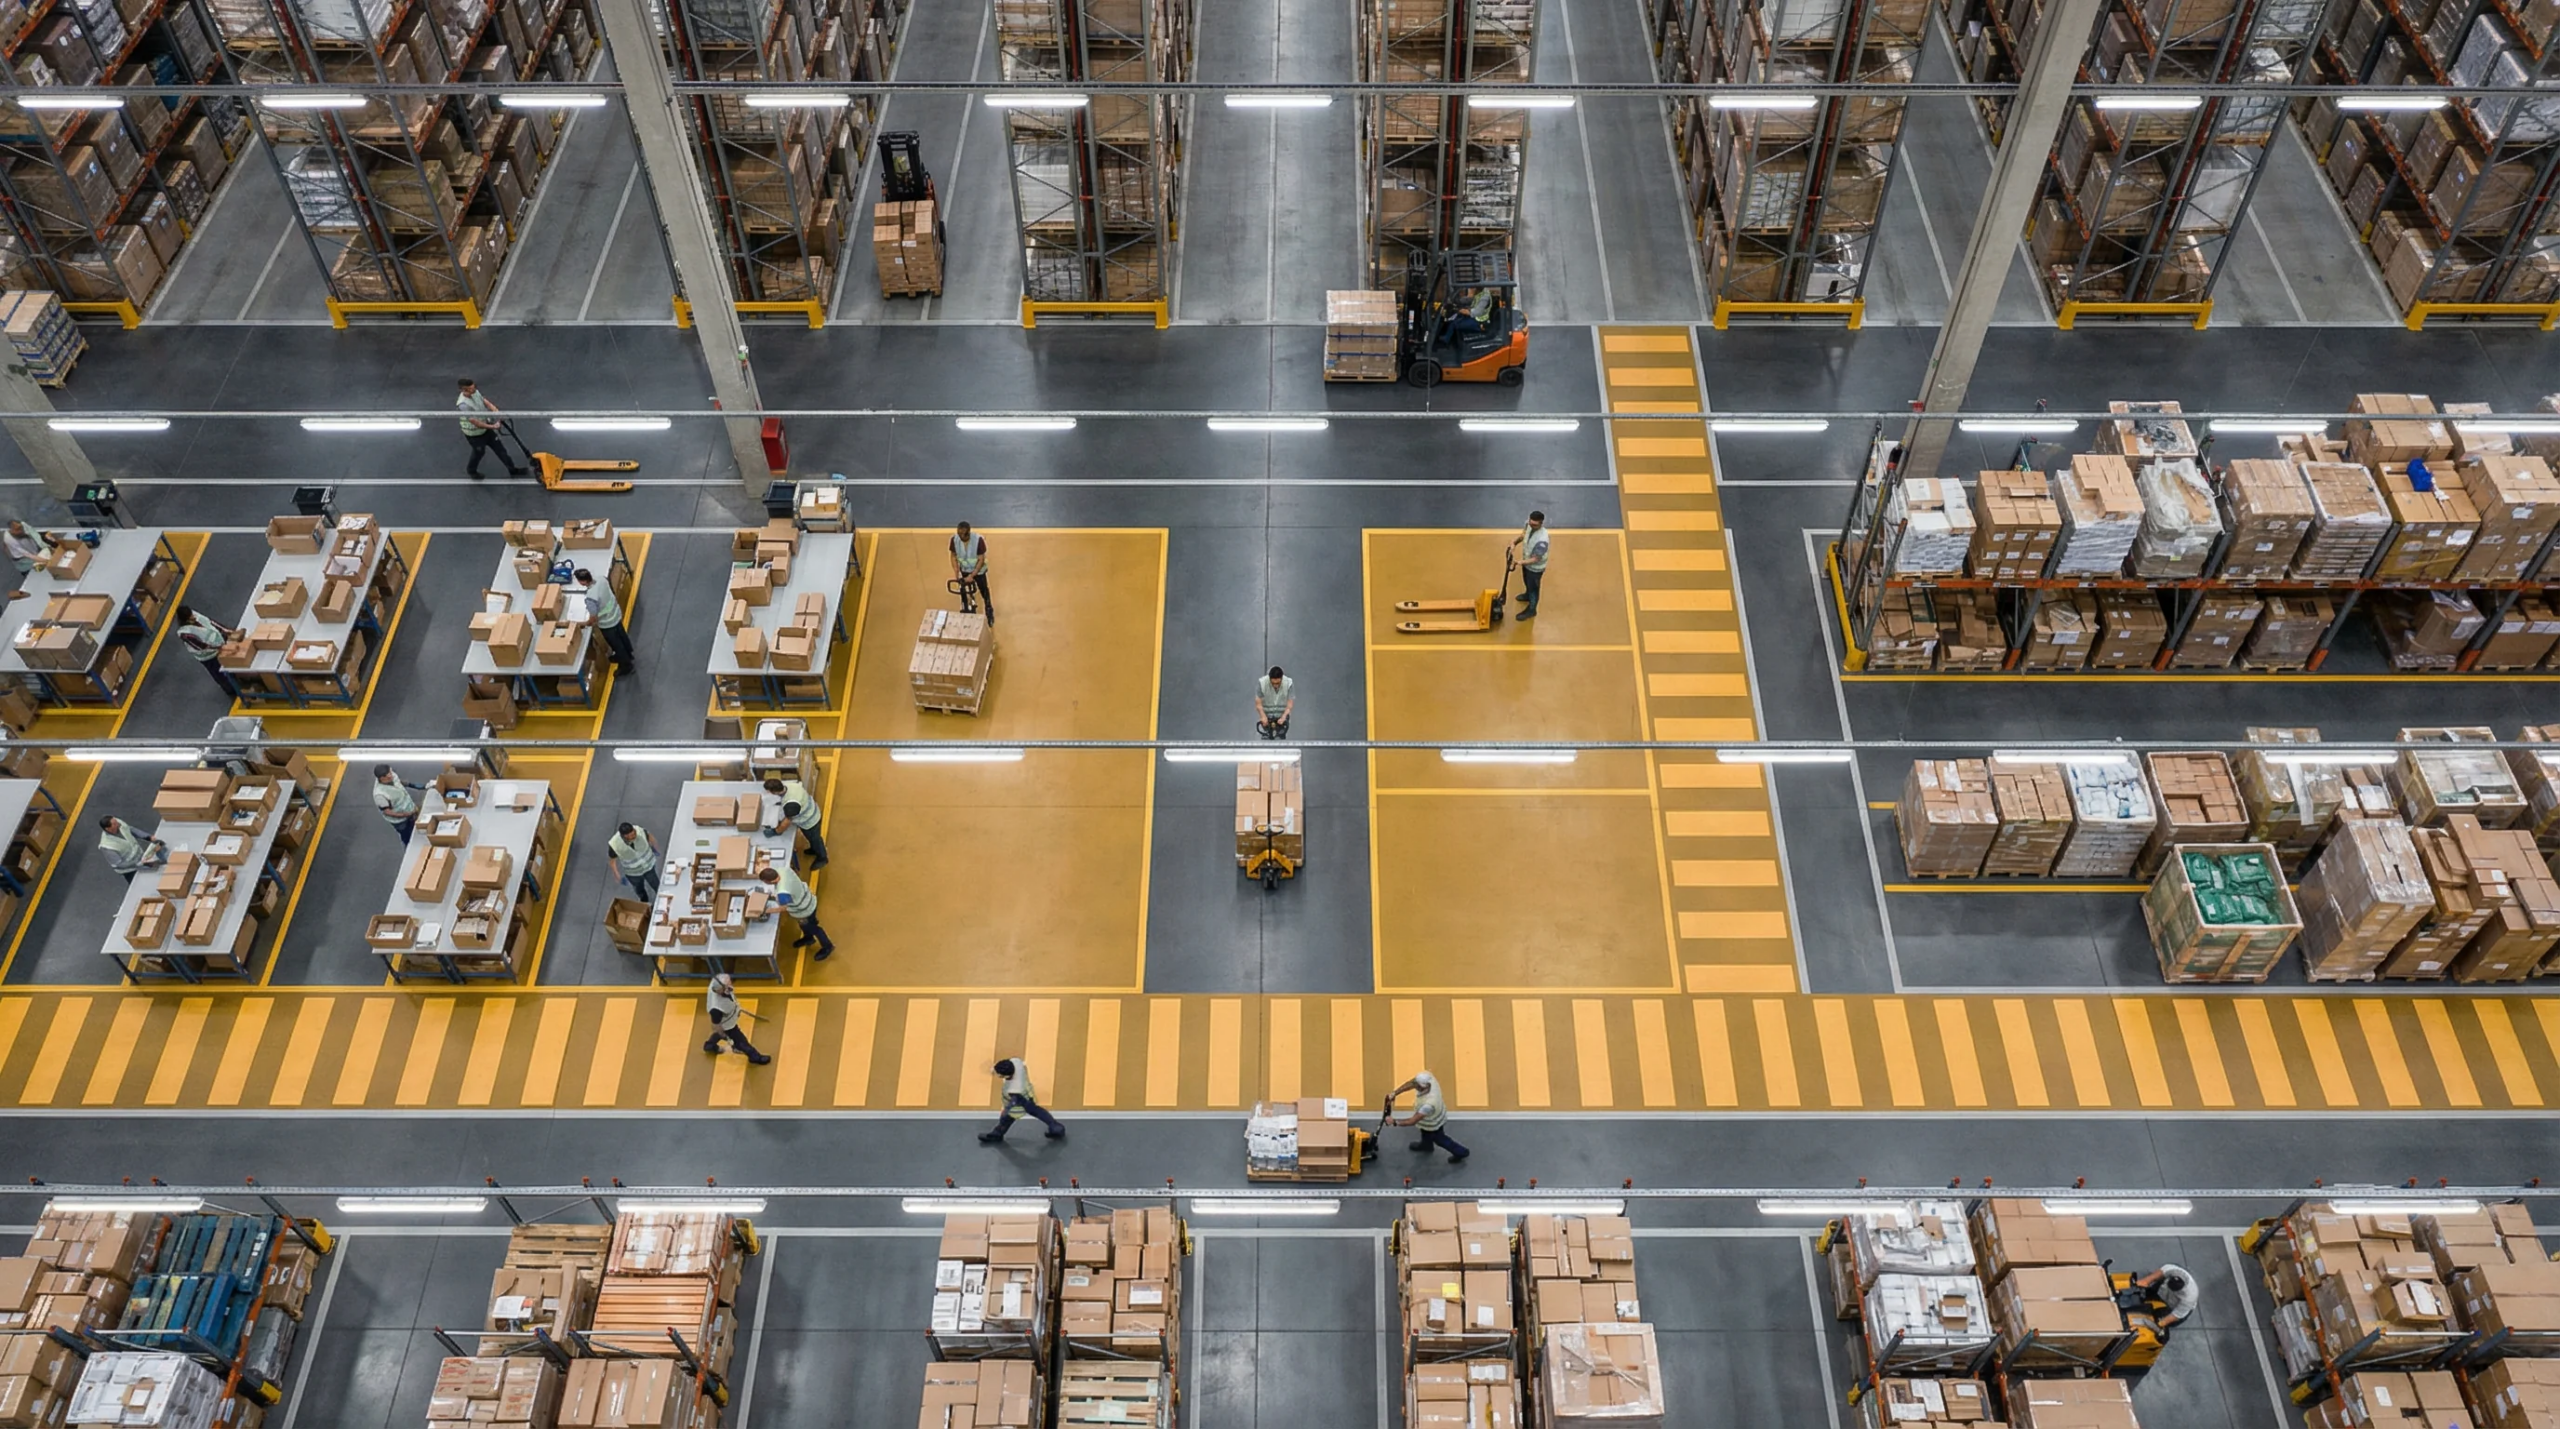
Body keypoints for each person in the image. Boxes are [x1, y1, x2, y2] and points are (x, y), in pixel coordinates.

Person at [1387, 1069, 1470, 1163]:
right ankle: (1426, 1146)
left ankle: (1461, 1152)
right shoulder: (1428, 1078)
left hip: (1433, 1123)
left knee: (1441, 1140)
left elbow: (1413, 1121)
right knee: (1425, 1132)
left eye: (1417, 1085)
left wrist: (1394, 1122)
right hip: (1430, 1120)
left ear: (1423, 1087)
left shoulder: (1429, 1104)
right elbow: (1411, 1083)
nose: (1415, 1086)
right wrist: (1395, 1093)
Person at [978, 1057, 1066, 1142]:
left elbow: (1013, 1102)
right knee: (1038, 1111)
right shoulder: (1016, 1062)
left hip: (1020, 1100)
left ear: (1006, 1076)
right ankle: (1056, 1128)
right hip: (1028, 1093)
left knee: (1007, 1117)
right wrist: (995, 1068)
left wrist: (1005, 1110)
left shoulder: (1013, 1089)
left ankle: (997, 1134)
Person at [758, 863, 834, 960]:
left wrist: (767, 911)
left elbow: (784, 908)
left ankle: (828, 946)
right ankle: (809, 938)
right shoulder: (783, 870)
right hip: (807, 898)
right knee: (804, 925)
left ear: (771, 881)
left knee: (813, 928)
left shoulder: (783, 892)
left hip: (804, 910)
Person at [455, 378, 527, 480]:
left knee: (501, 450)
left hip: (486, 429)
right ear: (463, 390)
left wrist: (496, 412)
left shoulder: (475, 392)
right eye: (471, 389)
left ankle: (512, 469)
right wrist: (493, 426)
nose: (474, 389)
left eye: (474, 387)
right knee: (479, 452)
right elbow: (475, 422)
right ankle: (471, 470)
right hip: (474, 434)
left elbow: (484, 401)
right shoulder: (463, 405)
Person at [571, 568, 635, 675]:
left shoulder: (591, 598)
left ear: (582, 582)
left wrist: (582, 624)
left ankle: (626, 666)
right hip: (616, 614)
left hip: (608, 623)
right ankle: (629, 653)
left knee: (616, 644)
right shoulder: (601, 579)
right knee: (622, 636)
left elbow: (593, 619)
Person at [170, 605, 240, 696]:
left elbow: (209, 622)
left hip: (218, 644)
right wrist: (220, 647)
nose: (193, 617)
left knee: (228, 664)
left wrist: (224, 630)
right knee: (219, 672)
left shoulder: (194, 615)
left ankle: (237, 680)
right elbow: (201, 646)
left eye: (192, 614)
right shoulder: (185, 633)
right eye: (190, 617)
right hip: (207, 656)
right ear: (186, 620)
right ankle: (230, 690)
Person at [701, 973, 770, 1063]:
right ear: (720, 990)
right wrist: (724, 1035)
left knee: (719, 1034)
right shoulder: (716, 1008)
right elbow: (716, 1025)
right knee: (741, 1041)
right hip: (728, 1025)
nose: (730, 986)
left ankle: (709, 1046)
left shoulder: (717, 985)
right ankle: (754, 1057)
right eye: (727, 985)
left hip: (729, 1018)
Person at [760, 775, 826, 869]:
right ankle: (814, 849)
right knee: (811, 839)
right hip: (812, 810)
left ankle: (822, 858)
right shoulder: (790, 785)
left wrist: (776, 831)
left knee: (815, 839)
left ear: (774, 792)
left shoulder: (791, 804)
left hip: (810, 821)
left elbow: (787, 822)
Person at [1507, 511, 1551, 620]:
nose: (1531, 526)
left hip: (1535, 569)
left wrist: (1519, 562)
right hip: (1526, 564)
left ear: (1541, 523)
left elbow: (1536, 558)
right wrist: (1514, 543)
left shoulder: (1542, 540)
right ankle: (1527, 595)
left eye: (1535, 525)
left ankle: (1532, 610)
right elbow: (1523, 535)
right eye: (1530, 523)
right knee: (1526, 582)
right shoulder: (1529, 525)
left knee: (1534, 589)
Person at [97, 815, 165, 883]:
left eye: (116, 821)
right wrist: (139, 863)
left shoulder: (119, 824)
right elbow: (119, 864)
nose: (118, 823)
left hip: (141, 858)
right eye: (114, 824)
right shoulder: (107, 846)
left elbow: (130, 830)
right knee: (139, 884)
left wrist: (148, 837)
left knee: (156, 875)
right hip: (130, 870)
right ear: (108, 829)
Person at [949, 521, 993, 624]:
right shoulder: (954, 540)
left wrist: (972, 575)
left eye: (962, 535)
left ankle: (989, 610)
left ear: (968, 533)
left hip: (978, 571)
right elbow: (953, 556)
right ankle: (966, 606)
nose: (960, 537)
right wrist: (956, 572)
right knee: (963, 591)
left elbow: (981, 559)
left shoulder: (978, 540)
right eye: (958, 534)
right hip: (964, 570)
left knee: (984, 591)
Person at [607, 822, 661, 904]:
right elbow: (612, 861)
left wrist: (655, 847)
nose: (634, 836)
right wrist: (616, 875)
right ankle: (644, 901)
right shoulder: (615, 844)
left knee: (656, 884)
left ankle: (661, 899)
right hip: (633, 873)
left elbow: (650, 837)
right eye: (631, 836)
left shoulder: (640, 831)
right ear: (624, 836)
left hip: (648, 866)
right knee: (639, 889)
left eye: (634, 833)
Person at [372, 765, 424, 844]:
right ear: (382, 778)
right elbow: (387, 812)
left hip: (411, 810)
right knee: (408, 838)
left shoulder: (391, 775)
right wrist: (406, 814)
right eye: (388, 776)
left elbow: (398, 781)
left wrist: (413, 785)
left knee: (419, 830)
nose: (391, 775)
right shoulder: (380, 795)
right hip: (401, 821)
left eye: (390, 772)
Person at [1254, 666, 1295, 739]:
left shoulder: (1288, 683)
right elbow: (1258, 704)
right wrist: (1262, 716)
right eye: (1273, 683)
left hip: (1282, 716)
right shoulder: (1262, 683)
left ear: (1282, 678)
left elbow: (1290, 704)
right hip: (1266, 715)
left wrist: (1284, 717)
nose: (1275, 685)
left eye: (1278, 683)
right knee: (1265, 737)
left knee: (1281, 738)